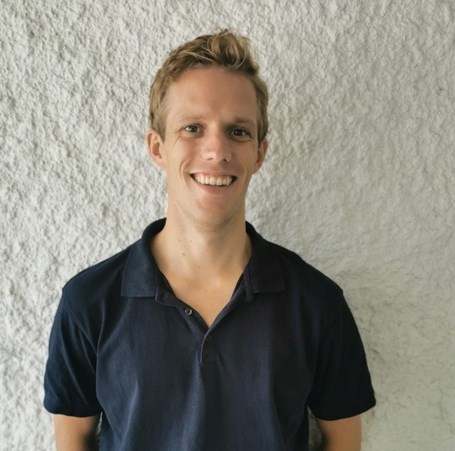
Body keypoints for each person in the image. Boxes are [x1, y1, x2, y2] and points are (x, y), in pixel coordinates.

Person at [44, 29, 375, 451]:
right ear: (157, 148)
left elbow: (343, 440)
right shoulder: (90, 302)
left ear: (259, 153)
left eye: (238, 131)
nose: (217, 151)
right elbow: (72, 439)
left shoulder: (316, 303)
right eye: (193, 128)